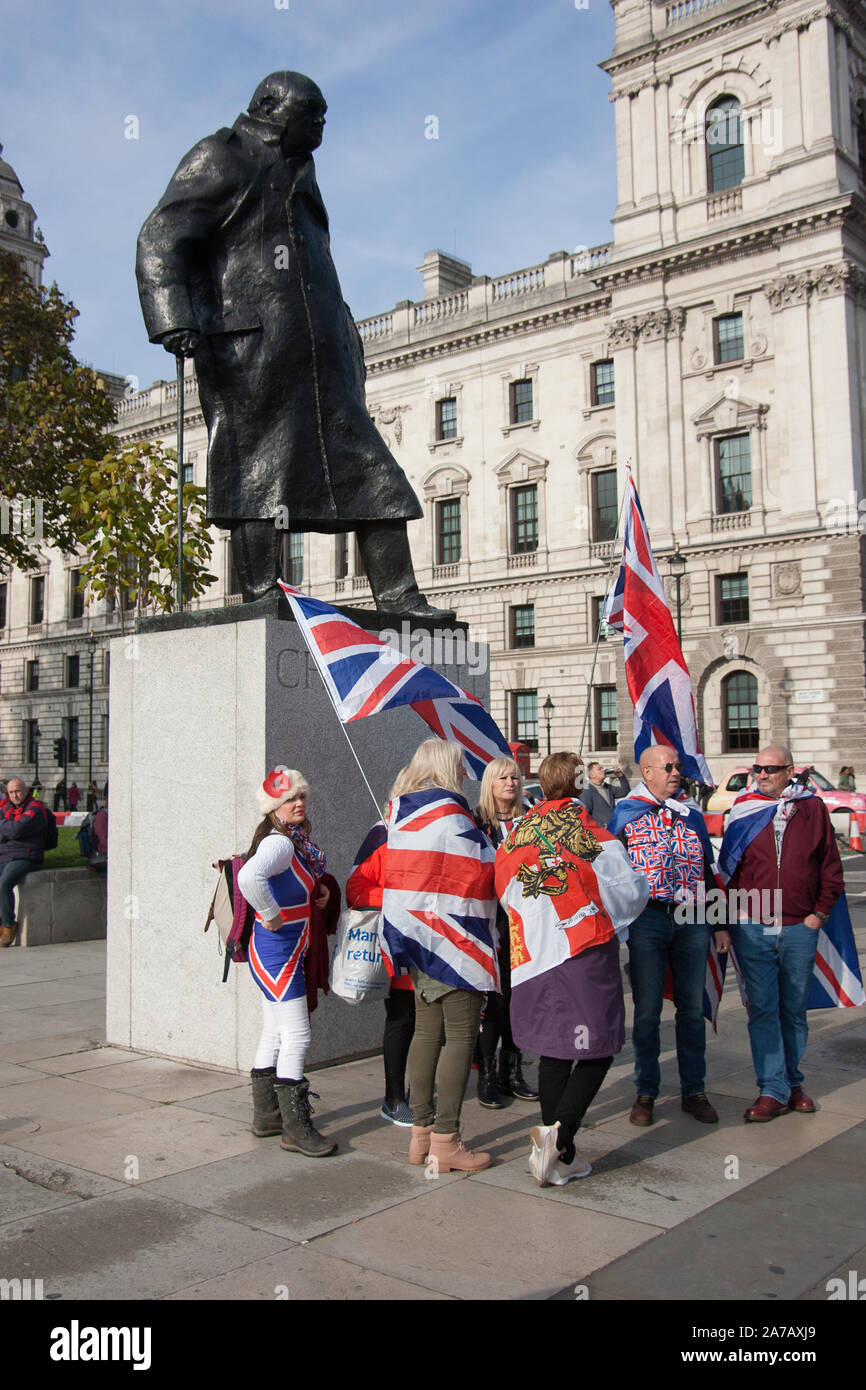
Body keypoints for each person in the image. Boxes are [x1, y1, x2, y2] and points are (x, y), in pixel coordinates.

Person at [136, 71, 449, 620]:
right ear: (271, 108)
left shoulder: (298, 168)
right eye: (313, 115)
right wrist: (173, 319)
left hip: (319, 354)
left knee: (372, 471)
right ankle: (262, 595)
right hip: (250, 351)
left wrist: (346, 337)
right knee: (258, 470)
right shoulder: (222, 156)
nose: (322, 126)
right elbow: (161, 236)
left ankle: (399, 594)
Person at [495, 752, 649, 1185]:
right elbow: (627, 890)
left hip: (534, 955)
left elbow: (503, 891)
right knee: (599, 1047)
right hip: (582, 949)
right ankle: (557, 1140)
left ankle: (562, 1156)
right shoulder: (589, 832)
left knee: (553, 1049)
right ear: (580, 784)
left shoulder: (516, 835)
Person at [380, 740, 498, 1172]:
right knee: (461, 1038)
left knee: (426, 1035)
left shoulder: (401, 813)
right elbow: (484, 872)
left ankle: (421, 1136)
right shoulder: (452, 814)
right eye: (460, 764)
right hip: (456, 942)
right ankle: (447, 1141)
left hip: (418, 941)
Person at [721, 746, 844, 1121]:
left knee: (792, 1011)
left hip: (798, 925)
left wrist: (818, 913)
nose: (762, 775)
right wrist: (727, 921)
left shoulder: (812, 809)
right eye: (757, 768)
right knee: (762, 1010)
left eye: (770, 769)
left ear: (789, 771)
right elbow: (729, 870)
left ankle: (792, 1082)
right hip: (753, 926)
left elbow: (829, 864)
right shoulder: (743, 809)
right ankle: (771, 1090)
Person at [607, 745, 727, 1126]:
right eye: (669, 767)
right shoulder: (626, 814)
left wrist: (720, 921)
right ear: (647, 773)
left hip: (692, 918)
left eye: (678, 766)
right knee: (646, 1011)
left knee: (691, 1008)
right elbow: (611, 873)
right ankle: (646, 1091)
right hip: (649, 921)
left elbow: (708, 871)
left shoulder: (690, 814)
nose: (677, 772)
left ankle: (695, 1089)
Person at [237, 766, 336, 1157]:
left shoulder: (292, 841)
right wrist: (272, 914)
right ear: (274, 806)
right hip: (280, 952)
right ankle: (296, 1129)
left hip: (282, 950)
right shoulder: (279, 844)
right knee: (297, 1036)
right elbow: (249, 879)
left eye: (301, 796)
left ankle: (267, 1115)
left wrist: (318, 894)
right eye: (289, 799)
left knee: (274, 1033)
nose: (297, 803)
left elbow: (289, 882)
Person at [473, 756, 538, 1108]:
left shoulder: (530, 820)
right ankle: (487, 1073)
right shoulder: (477, 821)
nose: (511, 784)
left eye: (514, 778)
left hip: (525, 920)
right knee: (495, 1001)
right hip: (491, 920)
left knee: (520, 998)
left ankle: (513, 1071)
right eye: (503, 778)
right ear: (490, 784)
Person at [346, 809, 415, 1127]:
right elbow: (355, 888)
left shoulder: (444, 832)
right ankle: (394, 1098)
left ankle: (421, 1095)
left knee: (430, 1028)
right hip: (397, 947)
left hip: (440, 946)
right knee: (402, 1019)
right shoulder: (385, 835)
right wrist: (394, 898)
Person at [0, 777, 50, 947]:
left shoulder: (35, 808)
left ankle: (8, 925)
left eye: (18, 791)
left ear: (26, 790)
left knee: (4, 883)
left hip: (28, 856)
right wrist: (9, 829)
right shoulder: (5, 807)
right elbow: (11, 831)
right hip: (6, 855)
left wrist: (8, 829)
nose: (14, 795)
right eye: (11, 792)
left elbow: (17, 830)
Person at [579, 761, 630, 829]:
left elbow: (625, 791)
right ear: (592, 775)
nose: (603, 770)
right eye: (600, 769)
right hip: (601, 832)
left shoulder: (607, 788)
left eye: (602, 768)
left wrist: (620, 776)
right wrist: (601, 825)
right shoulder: (587, 791)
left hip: (614, 829)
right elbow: (585, 814)